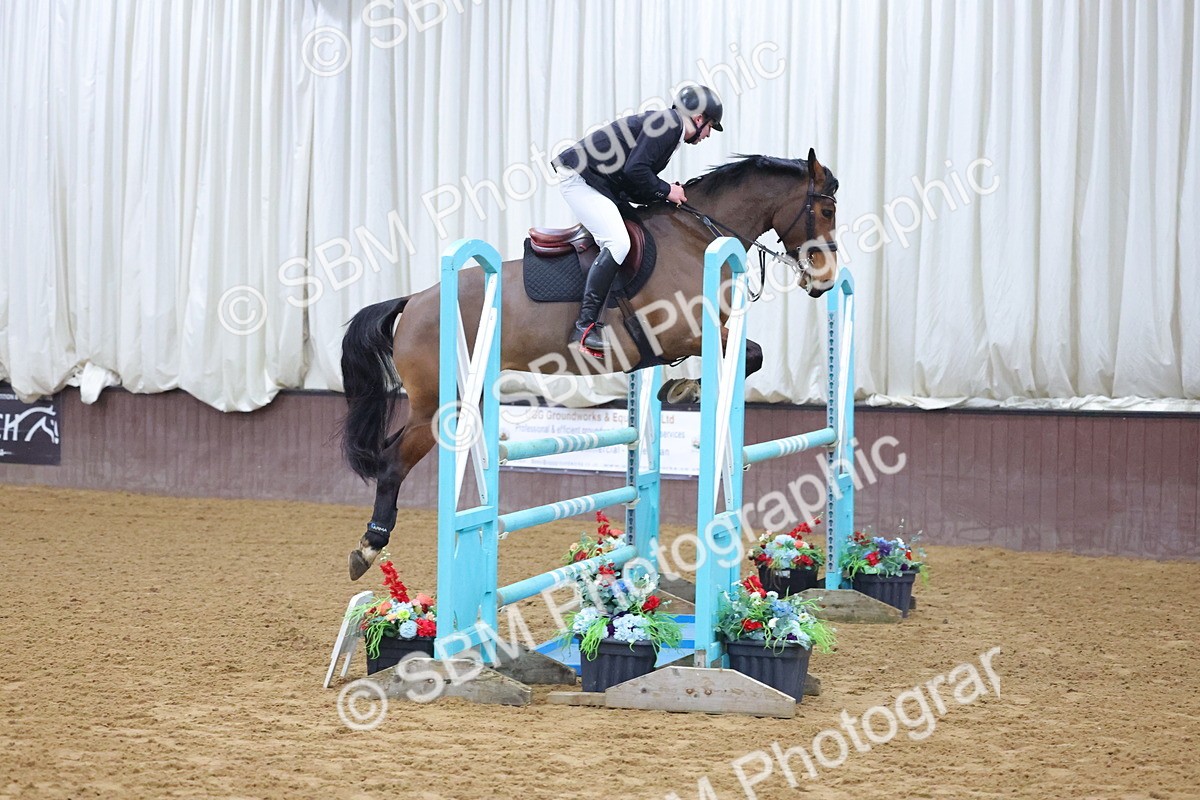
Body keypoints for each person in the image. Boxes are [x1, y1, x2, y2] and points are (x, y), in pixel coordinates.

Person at [552, 84, 723, 356]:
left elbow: (634, 179)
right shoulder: (670, 124)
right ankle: (584, 328)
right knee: (618, 243)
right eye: (711, 126)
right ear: (699, 118)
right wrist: (667, 190)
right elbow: (636, 171)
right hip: (580, 179)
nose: (709, 134)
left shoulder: (669, 126)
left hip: (600, 182)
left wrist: (664, 193)